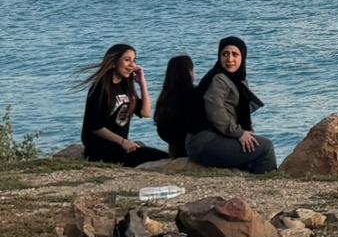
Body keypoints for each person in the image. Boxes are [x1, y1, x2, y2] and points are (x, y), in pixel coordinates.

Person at [186, 36, 276, 173]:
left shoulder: (236, 80)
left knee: (256, 146)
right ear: (219, 56)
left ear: (243, 57)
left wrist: (245, 132)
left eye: (235, 54)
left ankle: (257, 182)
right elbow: (215, 112)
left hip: (217, 136)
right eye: (225, 54)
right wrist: (239, 134)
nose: (230, 59)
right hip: (204, 141)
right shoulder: (219, 79)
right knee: (265, 147)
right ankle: (267, 186)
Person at [76, 43, 168, 167]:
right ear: (114, 62)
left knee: (164, 157)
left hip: (120, 147)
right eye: (127, 60)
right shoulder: (99, 88)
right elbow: (95, 127)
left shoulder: (126, 87)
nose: (132, 64)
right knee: (151, 163)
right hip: (100, 149)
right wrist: (123, 141)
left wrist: (142, 83)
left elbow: (145, 113)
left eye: (134, 60)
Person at [153, 54, 195, 157]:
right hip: (191, 145)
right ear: (190, 72)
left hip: (174, 144)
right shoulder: (194, 94)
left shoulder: (165, 97)